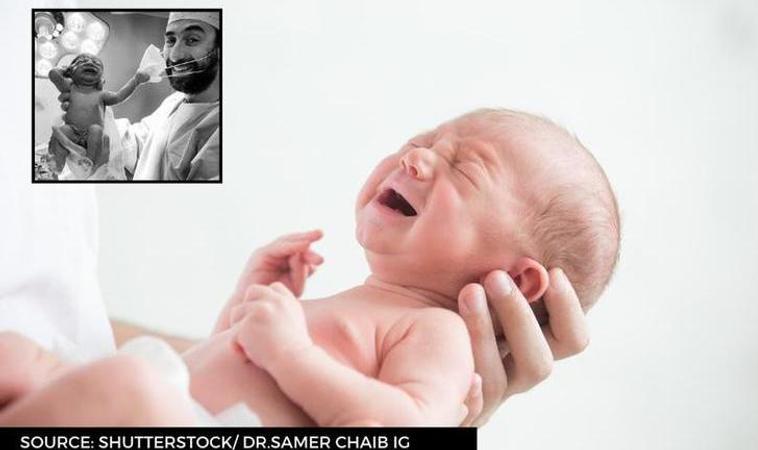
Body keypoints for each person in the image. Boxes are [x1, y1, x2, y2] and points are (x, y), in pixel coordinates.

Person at [2, 108, 613, 426]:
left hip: (162, 407)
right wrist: (244, 310)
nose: (417, 156)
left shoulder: (440, 334)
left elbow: (408, 424)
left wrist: (289, 353)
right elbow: (222, 381)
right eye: (423, 139)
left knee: (124, 387)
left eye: (466, 167)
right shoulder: (361, 305)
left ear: (520, 278)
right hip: (174, 407)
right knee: (20, 354)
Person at [49, 11, 221, 180]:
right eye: (170, 40)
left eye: (192, 40)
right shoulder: (175, 102)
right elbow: (138, 145)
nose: (175, 55)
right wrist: (90, 113)